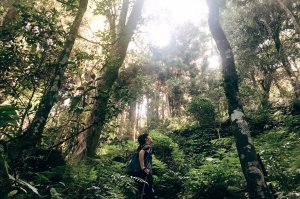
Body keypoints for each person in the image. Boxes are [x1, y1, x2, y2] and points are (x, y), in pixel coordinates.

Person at [136, 133, 154, 199]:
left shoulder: (142, 146)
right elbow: (141, 153)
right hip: (146, 172)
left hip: (141, 172)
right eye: (149, 136)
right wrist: (143, 167)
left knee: (143, 191)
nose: (151, 137)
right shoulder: (147, 146)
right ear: (146, 139)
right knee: (148, 191)